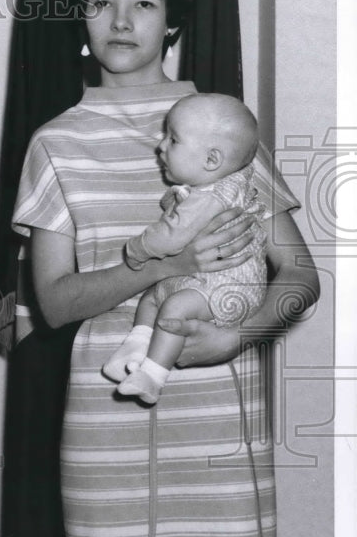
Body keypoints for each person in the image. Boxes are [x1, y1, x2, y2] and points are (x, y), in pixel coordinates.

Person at [11, 0, 319, 537]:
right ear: (79, 15)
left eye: (144, 3)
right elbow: (55, 303)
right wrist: (161, 265)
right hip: (107, 443)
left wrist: (240, 336)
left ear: (173, 19)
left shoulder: (221, 126)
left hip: (220, 442)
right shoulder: (55, 142)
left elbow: (301, 278)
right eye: (101, 0)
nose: (120, 20)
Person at [104, 93, 267, 403]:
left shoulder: (212, 197)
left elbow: (171, 236)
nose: (161, 145)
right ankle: (135, 347)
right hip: (204, 280)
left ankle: (152, 376)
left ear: (211, 160)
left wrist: (136, 250)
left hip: (232, 287)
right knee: (152, 298)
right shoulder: (212, 185)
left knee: (173, 308)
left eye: (173, 140)